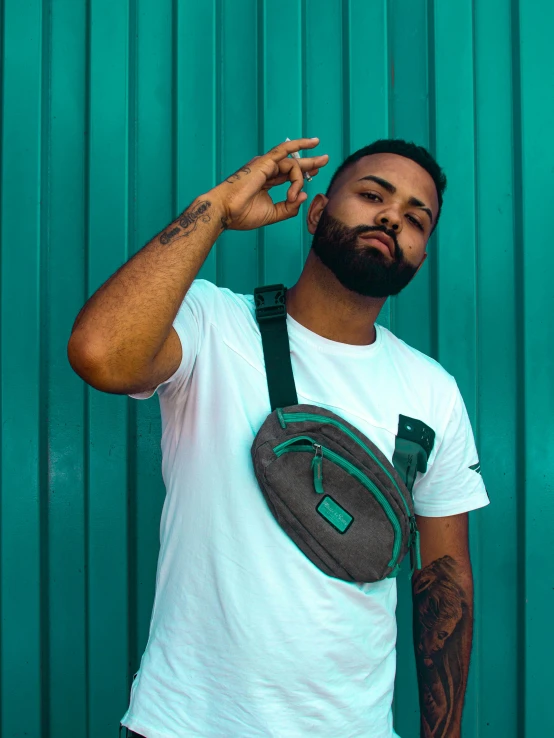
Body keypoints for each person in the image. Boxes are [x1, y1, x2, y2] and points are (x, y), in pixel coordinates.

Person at [68, 137, 489, 738]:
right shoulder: (214, 324)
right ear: (316, 213)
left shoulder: (432, 391)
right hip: (185, 724)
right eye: (373, 195)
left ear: (421, 254)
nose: (393, 218)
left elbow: (445, 576)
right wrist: (215, 209)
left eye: (417, 219)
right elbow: (100, 354)